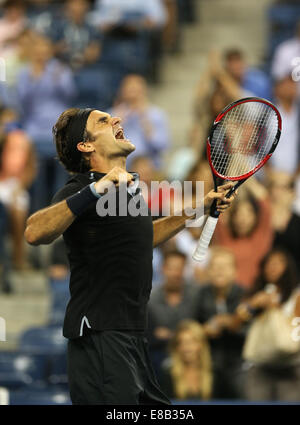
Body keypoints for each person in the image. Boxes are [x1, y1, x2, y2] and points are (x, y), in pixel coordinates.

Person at [24, 107, 235, 405]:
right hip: (99, 336)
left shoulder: (127, 193)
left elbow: (142, 238)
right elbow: (34, 232)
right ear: (86, 146)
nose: (117, 121)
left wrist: (198, 208)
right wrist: (96, 189)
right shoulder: (81, 188)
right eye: (103, 121)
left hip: (131, 336)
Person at [17, 32, 76, 212]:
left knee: (62, 172)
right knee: (36, 175)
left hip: (58, 128)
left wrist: (57, 79)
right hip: (34, 129)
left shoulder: (60, 69)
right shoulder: (25, 72)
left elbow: (70, 95)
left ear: (50, 51)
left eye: (45, 48)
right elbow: (21, 102)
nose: (41, 52)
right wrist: (34, 79)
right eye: (37, 48)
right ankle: (37, 213)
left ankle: (58, 211)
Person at [236, 248, 300, 401]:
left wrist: (273, 308)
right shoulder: (255, 294)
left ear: (288, 267)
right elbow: (236, 323)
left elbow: (296, 328)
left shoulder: (296, 295)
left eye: (278, 263)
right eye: (269, 263)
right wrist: (253, 305)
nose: (273, 267)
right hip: (259, 365)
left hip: (290, 366)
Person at [195, 247, 246, 399]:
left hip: (240, 363)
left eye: (225, 267)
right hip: (206, 362)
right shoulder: (200, 294)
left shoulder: (245, 294)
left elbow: (254, 331)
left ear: (235, 271)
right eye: (215, 267)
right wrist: (203, 331)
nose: (219, 271)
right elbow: (187, 327)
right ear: (208, 271)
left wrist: (232, 324)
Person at [148, 250, 201, 375]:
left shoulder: (196, 295)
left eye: (180, 268)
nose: (175, 273)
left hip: (192, 351)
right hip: (160, 353)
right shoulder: (151, 297)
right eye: (171, 268)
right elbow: (151, 334)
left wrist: (169, 334)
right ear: (163, 269)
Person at [215, 178, 273, 289]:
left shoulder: (260, 240)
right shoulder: (225, 240)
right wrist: (231, 180)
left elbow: (265, 202)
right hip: (227, 296)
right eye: (239, 214)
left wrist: (246, 177)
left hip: (252, 296)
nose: (243, 219)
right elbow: (220, 206)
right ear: (233, 218)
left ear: (255, 218)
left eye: (248, 214)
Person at [110, 74, 170, 168]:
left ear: (144, 91)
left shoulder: (156, 114)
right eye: (130, 90)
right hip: (119, 167)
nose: (133, 94)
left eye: (137, 90)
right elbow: (105, 145)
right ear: (122, 91)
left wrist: (145, 119)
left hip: (149, 168)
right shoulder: (111, 114)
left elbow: (162, 146)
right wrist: (120, 122)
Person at [160, 320, 213, 401]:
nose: (186, 348)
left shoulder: (216, 374)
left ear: (201, 344)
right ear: (176, 347)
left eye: (191, 342)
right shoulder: (168, 376)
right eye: (181, 343)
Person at [269, 75, 300, 175]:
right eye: (286, 84)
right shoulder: (268, 115)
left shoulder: (298, 112)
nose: (291, 87)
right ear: (276, 89)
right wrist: (271, 173)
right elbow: (260, 147)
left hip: (296, 174)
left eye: (293, 83)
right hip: (273, 175)